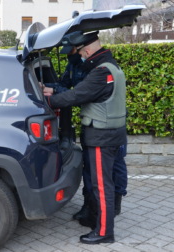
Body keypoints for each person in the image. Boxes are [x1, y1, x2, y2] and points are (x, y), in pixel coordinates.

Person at [44, 30, 127, 244]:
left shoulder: (101, 72)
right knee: (100, 183)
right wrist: (54, 92)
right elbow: (82, 91)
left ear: (87, 50)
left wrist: (49, 102)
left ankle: (104, 233)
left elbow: (77, 95)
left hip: (102, 137)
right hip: (106, 134)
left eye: (80, 52)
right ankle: (95, 220)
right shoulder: (110, 65)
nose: (80, 56)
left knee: (102, 185)